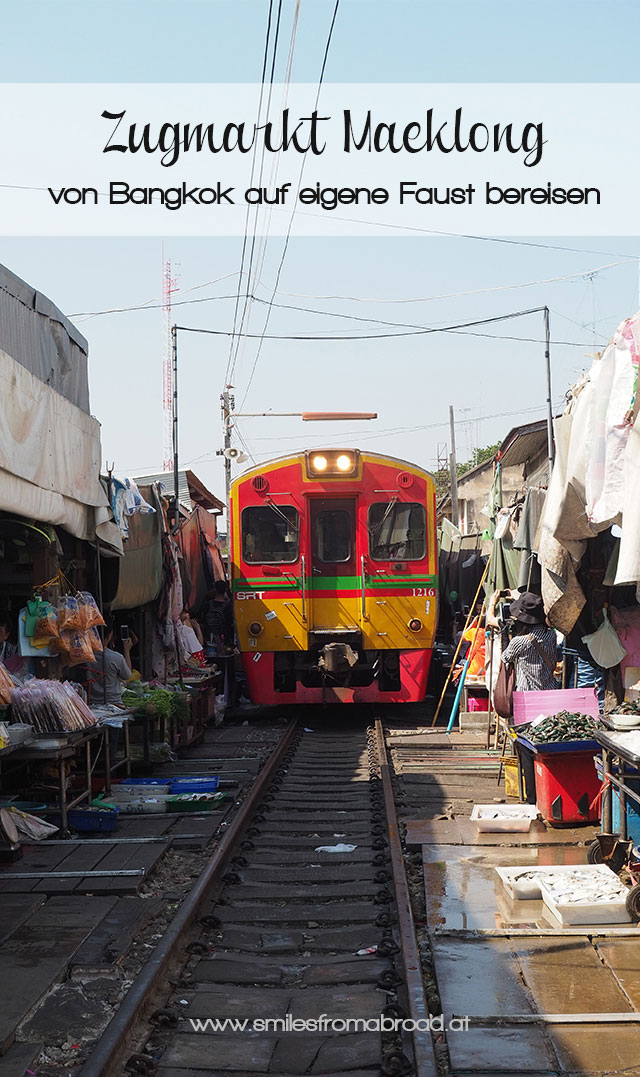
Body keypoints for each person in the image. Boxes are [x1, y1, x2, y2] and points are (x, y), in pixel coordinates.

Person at [486, 589, 558, 692]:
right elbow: (534, 612)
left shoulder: (519, 642)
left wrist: (492, 603)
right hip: (549, 691)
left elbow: (505, 658)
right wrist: (518, 598)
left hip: (526, 695)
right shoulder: (551, 635)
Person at [79, 622, 133, 704]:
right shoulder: (116, 657)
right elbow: (127, 676)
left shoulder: (84, 656)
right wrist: (127, 650)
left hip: (91, 702)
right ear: (110, 635)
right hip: (113, 703)